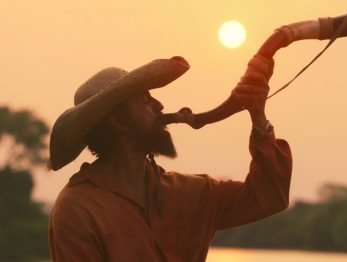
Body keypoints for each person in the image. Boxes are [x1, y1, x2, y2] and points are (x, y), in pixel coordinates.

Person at [48, 55, 292, 261]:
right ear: (118, 122)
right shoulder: (77, 209)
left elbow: (270, 197)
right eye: (145, 100)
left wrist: (258, 116)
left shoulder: (189, 193)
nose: (159, 105)